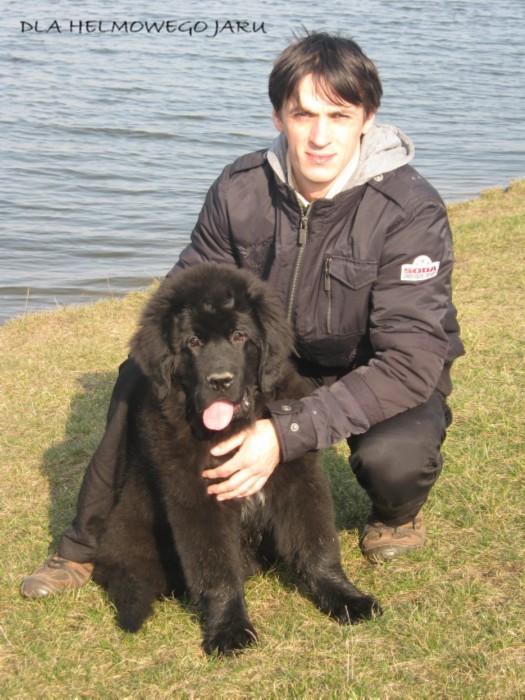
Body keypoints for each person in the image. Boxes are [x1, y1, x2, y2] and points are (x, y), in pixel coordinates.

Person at [21, 32, 464, 599]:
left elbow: (411, 361)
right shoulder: (241, 190)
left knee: (394, 459)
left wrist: (284, 432)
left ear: (367, 118)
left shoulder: (409, 209)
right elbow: (178, 301)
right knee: (138, 375)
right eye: (303, 114)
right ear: (278, 116)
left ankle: (396, 513)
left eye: (339, 115)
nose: (320, 136)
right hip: (269, 358)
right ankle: (80, 546)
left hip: (369, 364)